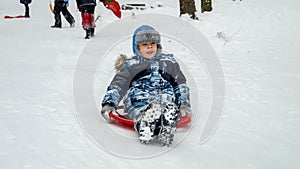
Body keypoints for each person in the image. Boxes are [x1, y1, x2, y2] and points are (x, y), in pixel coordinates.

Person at [100, 25, 192, 146]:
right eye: (144, 44)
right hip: (139, 96)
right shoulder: (131, 65)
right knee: (139, 106)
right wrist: (109, 103)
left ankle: (166, 122)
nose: (149, 47)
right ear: (137, 48)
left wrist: (183, 104)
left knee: (167, 103)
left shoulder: (169, 63)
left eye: (152, 43)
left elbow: (180, 84)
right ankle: (144, 123)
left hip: (164, 94)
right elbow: (119, 84)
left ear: (157, 45)